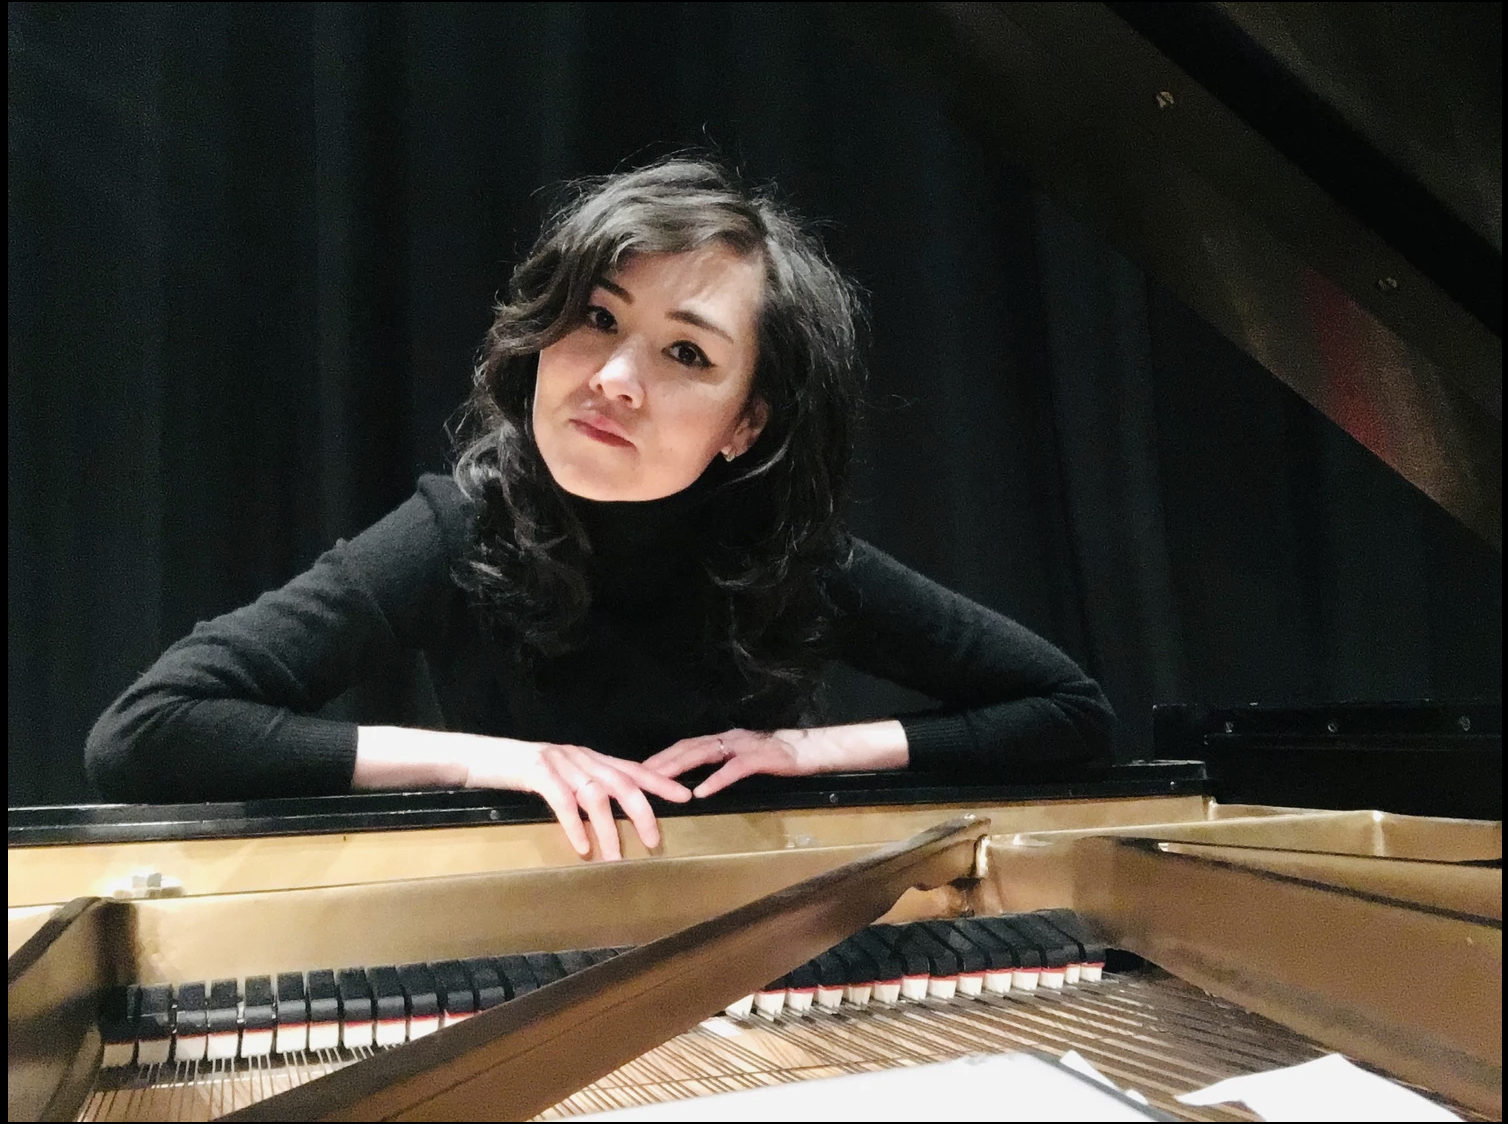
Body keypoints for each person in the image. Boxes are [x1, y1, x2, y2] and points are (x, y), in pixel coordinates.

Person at [86, 157, 1114, 860]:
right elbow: (146, 732)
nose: (614, 376)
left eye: (685, 352)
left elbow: (1066, 709)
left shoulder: (784, 553)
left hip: (756, 935)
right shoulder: (460, 528)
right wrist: (500, 762)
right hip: (501, 935)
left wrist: (803, 750)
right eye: (595, 317)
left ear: (744, 424)